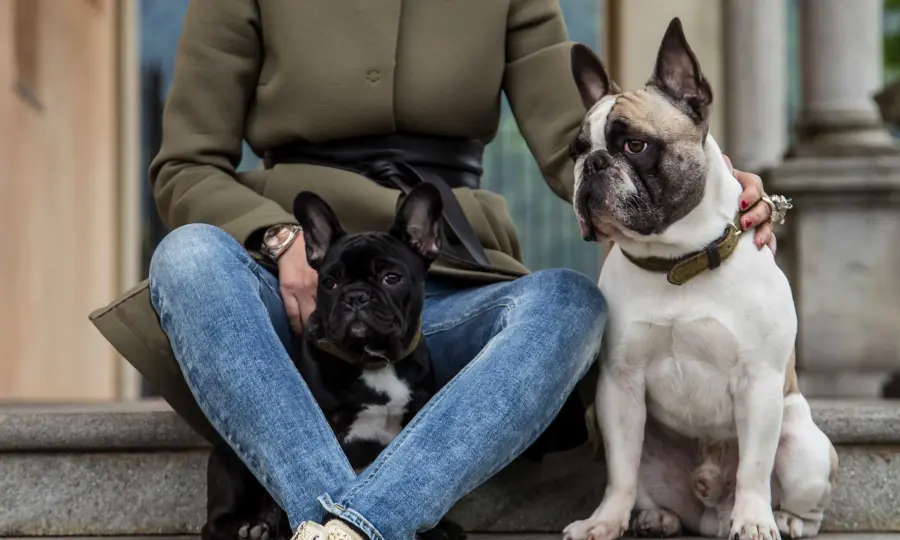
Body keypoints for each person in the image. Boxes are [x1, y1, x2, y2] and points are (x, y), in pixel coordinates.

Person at [91, 1, 778, 539]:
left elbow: (590, 143)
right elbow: (184, 168)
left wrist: (715, 186)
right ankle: (365, 523)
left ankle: (347, 527)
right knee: (186, 258)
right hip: (297, 289)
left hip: (449, 283)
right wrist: (279, 237)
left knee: (571, 305)